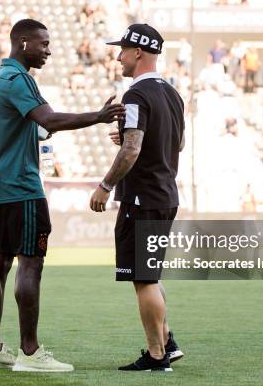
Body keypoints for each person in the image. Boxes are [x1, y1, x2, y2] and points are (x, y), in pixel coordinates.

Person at [0, 19, 125, 372]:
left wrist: (30, 135)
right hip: (22, 189)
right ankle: (30, 353)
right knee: (31, 263)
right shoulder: (19, 80)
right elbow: (51, 119)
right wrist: (99, 116)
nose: (48, 50)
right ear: (23, 42)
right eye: (43, 43)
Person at [90, 23, 185, 372]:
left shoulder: (135, 95)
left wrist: (105, 185)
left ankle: (157, 355)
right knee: (150, 275)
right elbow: (176, 143)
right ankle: (168, 343)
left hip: (142, 198)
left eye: (123, 50)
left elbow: (132, 150)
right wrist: (134, 138)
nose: (119, 56)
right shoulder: (173, 93)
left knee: (143, 278)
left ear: (139, 52)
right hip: (165, 194)